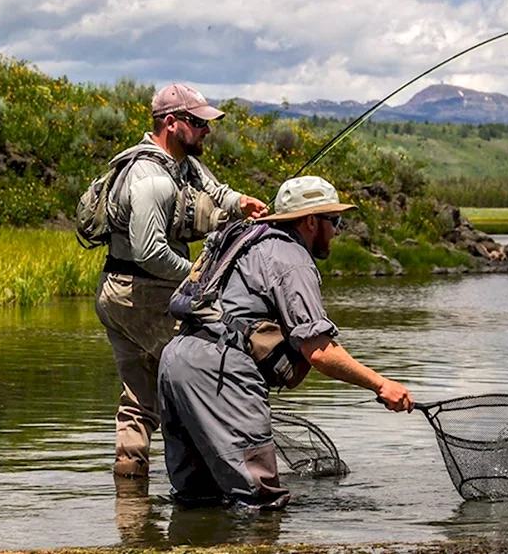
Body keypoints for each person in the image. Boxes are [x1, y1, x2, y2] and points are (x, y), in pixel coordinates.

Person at [157, 175, 414, 510]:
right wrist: (381, 385)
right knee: (258, 501)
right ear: (310, 222)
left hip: (177, 358)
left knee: (197, 499)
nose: (337, 230)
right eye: (333, 220)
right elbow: (319, 351)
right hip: (220, 371)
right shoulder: (290, 256)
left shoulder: (244, 238)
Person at [95, 82, 268, 478]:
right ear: (171, 123)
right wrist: (198, 276)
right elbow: (150, 252)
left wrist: (242, 204)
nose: (207, 130)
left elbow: (215, 191)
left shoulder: (183, 164)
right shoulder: (150, 179)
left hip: (119, 291)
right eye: (199, 123)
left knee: (139, 399)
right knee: (205, 368)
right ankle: (216, 478)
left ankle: (131, 503)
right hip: (138, 293)